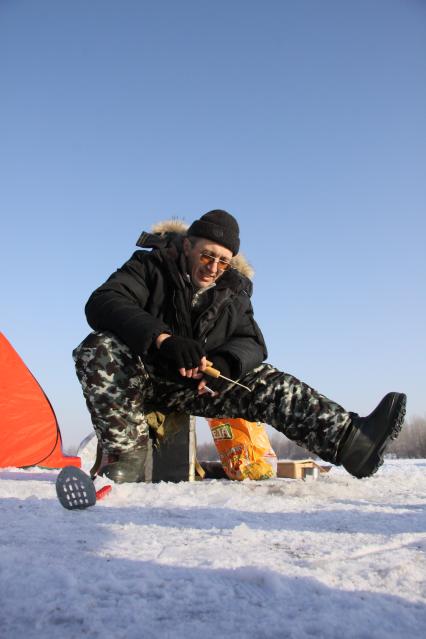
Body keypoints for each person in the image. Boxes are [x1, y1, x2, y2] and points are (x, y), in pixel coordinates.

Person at [73, 210, 406, 482]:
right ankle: (126, 457)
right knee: (97, 348)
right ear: (188, 246)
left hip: (195, 385)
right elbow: (103, 302)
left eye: (223, 261)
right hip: (144, 377)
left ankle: (352, 442)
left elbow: (252, 342)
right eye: (207, 255)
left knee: (269, 382)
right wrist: (164, 339)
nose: (213, 268)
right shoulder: (149, 266)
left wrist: (228, 364)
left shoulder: (233, 292)